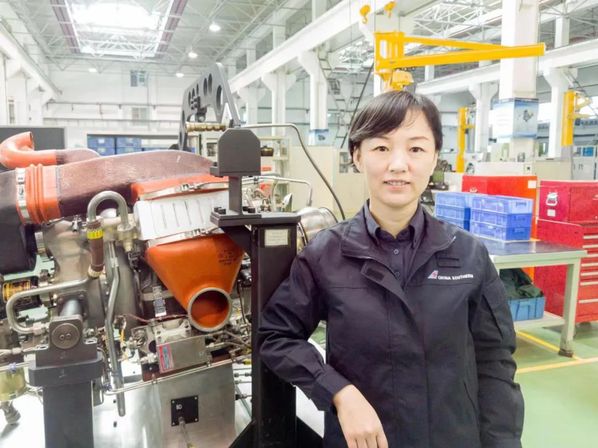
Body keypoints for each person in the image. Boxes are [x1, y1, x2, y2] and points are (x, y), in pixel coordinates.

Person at [259, 90, 524, 448]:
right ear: (357, 156)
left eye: (416, 149)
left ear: (434, 157)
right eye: (382, 148)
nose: (398, 165)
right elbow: (276, 335)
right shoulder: (326, 255)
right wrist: (338, 391)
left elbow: (495, 362)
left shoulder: (468, 255)